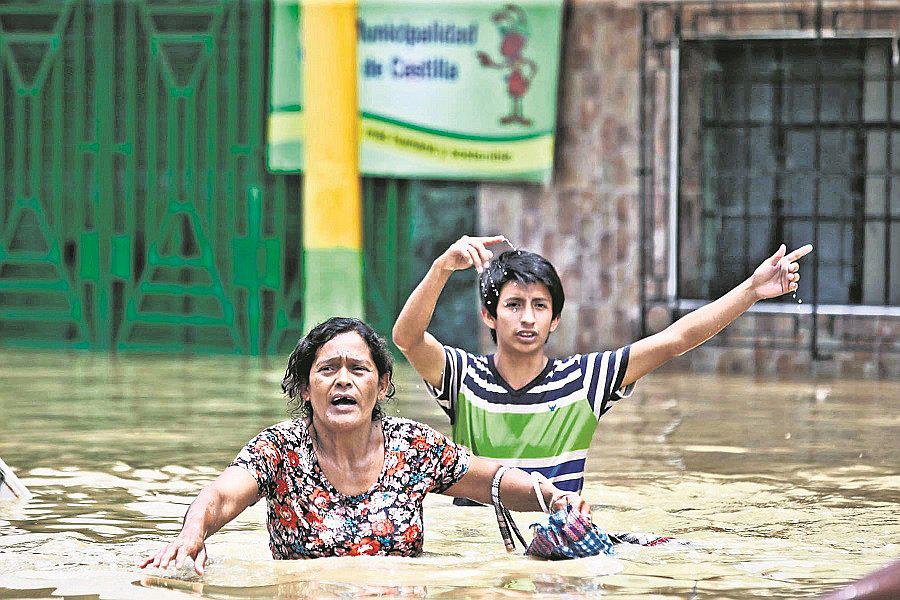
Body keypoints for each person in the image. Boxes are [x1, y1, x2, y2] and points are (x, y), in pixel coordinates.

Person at [141, 317, 590, 575]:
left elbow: (489, 478)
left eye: (358, 369)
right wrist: (191, 535)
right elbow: (220, 495)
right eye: (327, 370)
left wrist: (552, 497)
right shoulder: (279, 449)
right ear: (305, 388)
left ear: (383, 384)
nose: (343, 380)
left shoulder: (412, 447)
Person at [392, 236, 812, 497]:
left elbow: (676, 340)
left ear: (555, 319)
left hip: (559, 538)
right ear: (489, 315)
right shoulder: (463, 377)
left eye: (540, 306)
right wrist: (441, 268)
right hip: (474, 543)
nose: (527, 318)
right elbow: (406, 339)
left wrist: (751, 290)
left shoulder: (585, 380)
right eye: (514, 305)